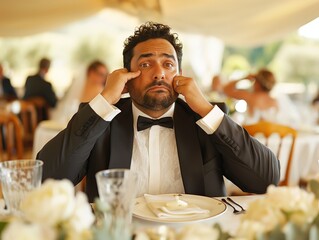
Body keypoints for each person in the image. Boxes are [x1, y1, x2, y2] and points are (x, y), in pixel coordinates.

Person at [38, 22, 280, 202]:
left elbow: (267, 178)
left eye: (168, 64)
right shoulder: (100, 121)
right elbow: (45, 179)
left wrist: (206, 109)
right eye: (145, 64)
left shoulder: (206, 121)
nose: (159, 73)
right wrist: (104, 101)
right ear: (126, 77)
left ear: (180, 74)